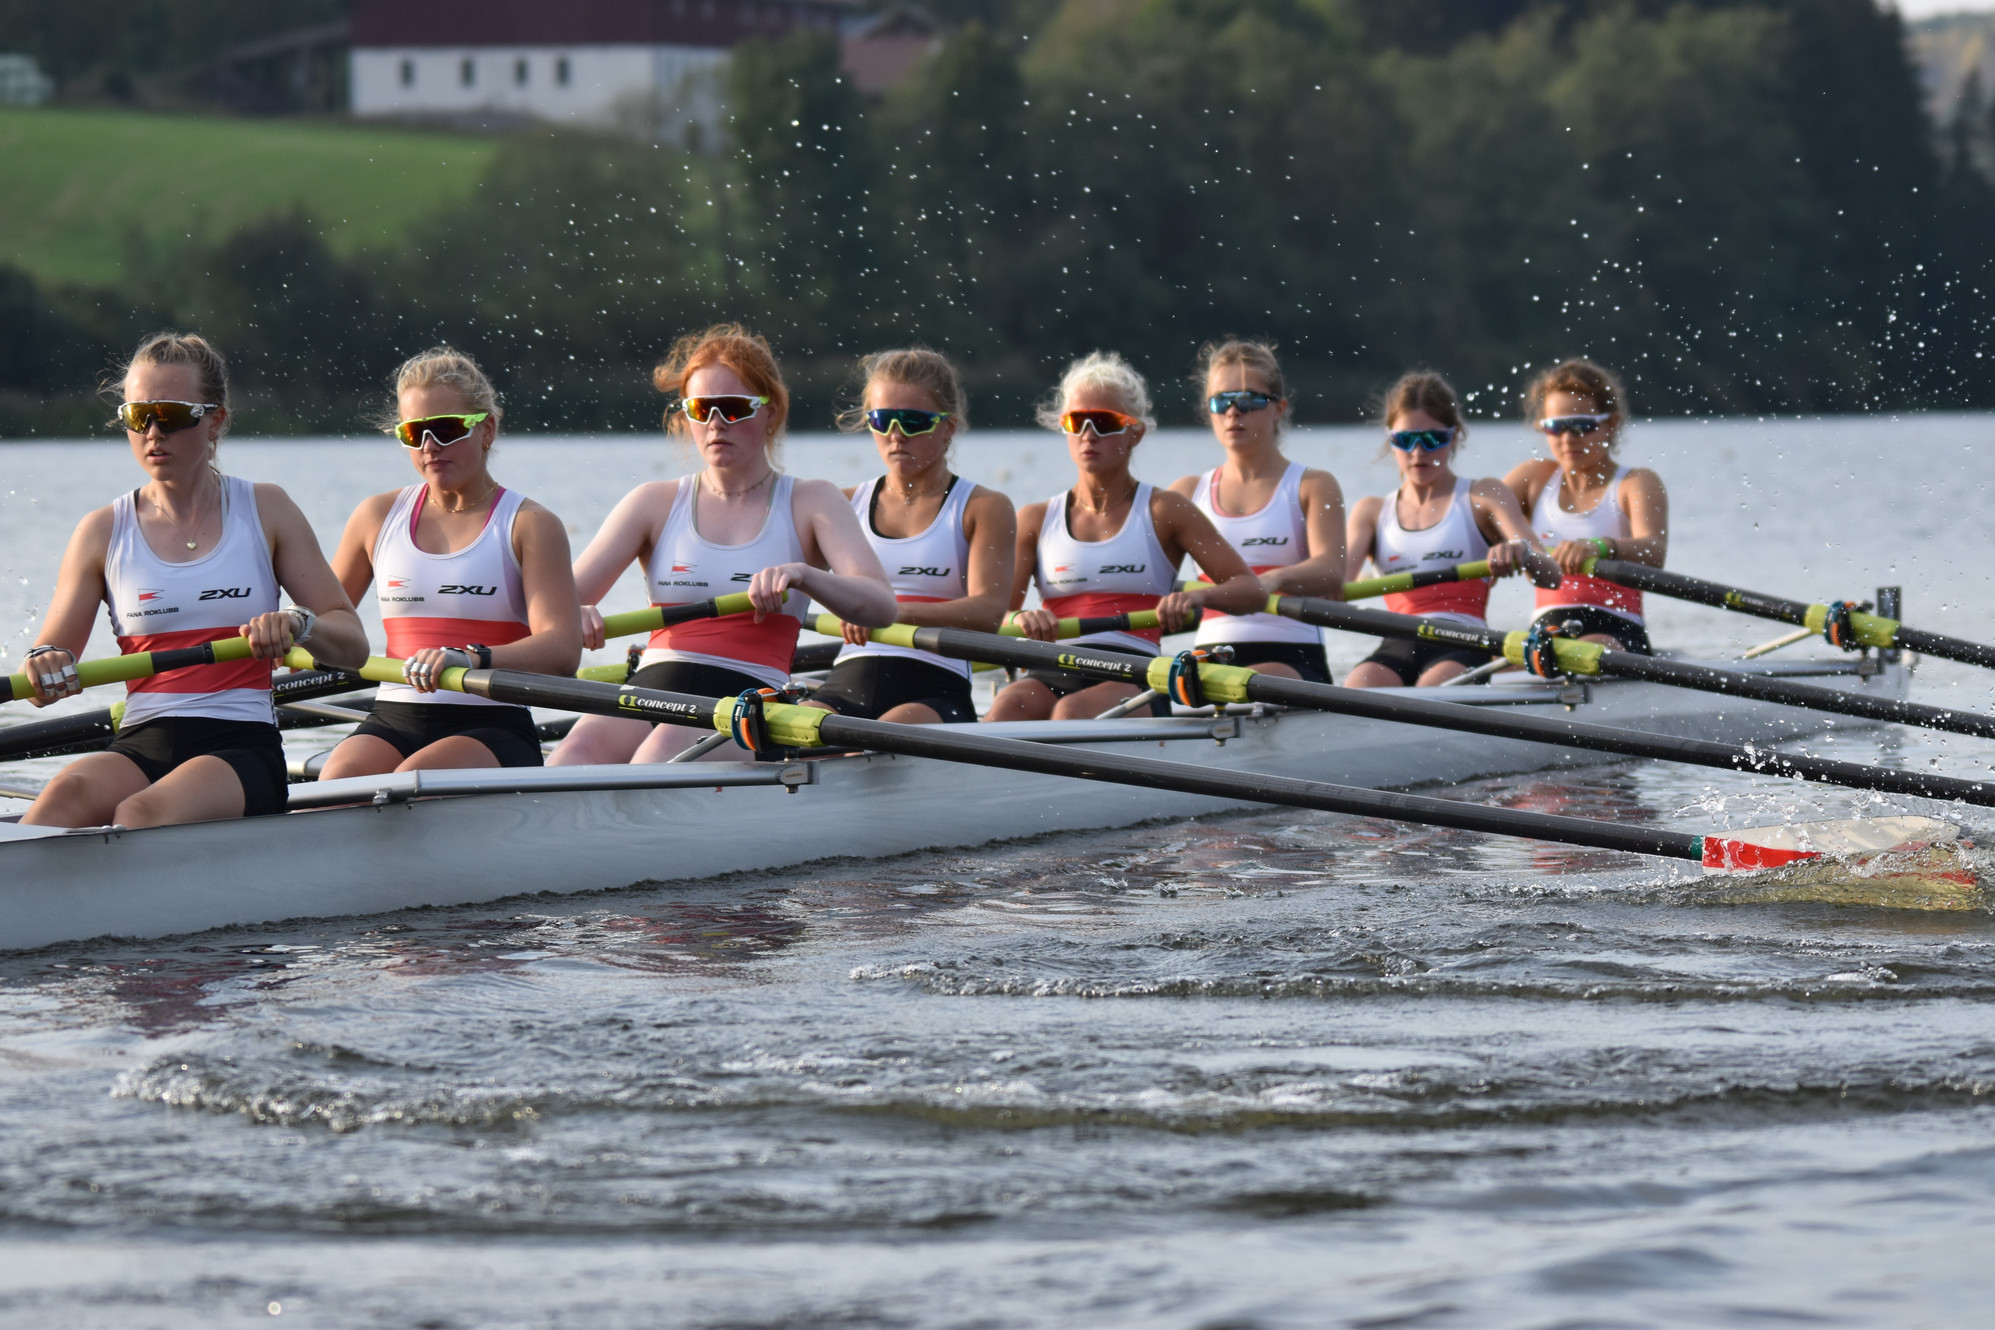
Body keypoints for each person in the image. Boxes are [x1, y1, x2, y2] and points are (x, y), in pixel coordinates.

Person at [18, 333, 368, 828]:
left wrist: (298, 623)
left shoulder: (266, 509)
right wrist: (44, 662)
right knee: (62, 797)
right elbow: (40, 685)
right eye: (138, 416)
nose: (153, 432)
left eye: (171, 415)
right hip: (142, 740)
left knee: (140, 813)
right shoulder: (101, 531)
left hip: (240, 744)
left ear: (215, 420)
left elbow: (353, 646)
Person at [552, 324, 896, 764]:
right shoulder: (652, 502)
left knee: (658, 756)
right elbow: (551, 610)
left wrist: (803, 575)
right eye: (700, 409)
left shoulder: (813, 501)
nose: (715, 423)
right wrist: (572, 612)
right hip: (651, 688)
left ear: (771, 411)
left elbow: (880, 606)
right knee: (572, 754)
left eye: (732, 408)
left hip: (749, 701)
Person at [318, 348, 581, 780]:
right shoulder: (375, 517)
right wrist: (291, 627)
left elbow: (563, 650)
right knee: (334, 787)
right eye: (413, 433)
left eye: (445, 429)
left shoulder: (530, 525)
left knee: (410, 782)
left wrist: (470, 658)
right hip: (393, 716)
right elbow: (326, 620)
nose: (429, 446)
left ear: (487, 429)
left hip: (491, 721)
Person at [986, 351, 1266, 722]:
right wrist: (1021, 616)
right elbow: (992, 614)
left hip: (1134, 673)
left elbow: (1251, 591)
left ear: (1135, 433)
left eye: (1104, 422)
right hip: (1053, 665)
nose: (1089, 435)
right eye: (1077, 422)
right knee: (1007, 706)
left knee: (1072, 712)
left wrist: (1198, 598)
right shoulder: (1035, 519)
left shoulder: (1165, 510)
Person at [800, 349, 1016, 724]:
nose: (896, 435)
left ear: (948, 427)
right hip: (846, 683)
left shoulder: (983, 507)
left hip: (934, 688)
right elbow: (788, 595)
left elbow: (987, 614)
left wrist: (888, 612)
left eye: (914, 422)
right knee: (795, 732)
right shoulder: (841, 504)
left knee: (876, 739)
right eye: (882, 420)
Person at [1344, 371, 1552, 688]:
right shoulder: (1370, 512)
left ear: (1454, 436)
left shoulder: (1482, 495)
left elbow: (1551, 575)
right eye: (1405, 440)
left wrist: (1522, 552)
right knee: (1358, 687)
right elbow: (1334, 589)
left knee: (1432, 690)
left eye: (1432, 439)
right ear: (1390, 438)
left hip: (1464, 642)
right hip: (1397, 642)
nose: (1418, 452)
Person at [1168, 340, 1345, 682]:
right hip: (1209, 659)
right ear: (1210, 411)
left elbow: (1331, 570)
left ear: (1279, 408)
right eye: (1221, 401)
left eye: (1249, 400)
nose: (1233, 412)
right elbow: (1144, 580)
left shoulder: (1312, 485)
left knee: (1237, 684)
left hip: (1292, 656)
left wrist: (1273, 579)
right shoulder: (1186, 493)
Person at [1503, 358, 1667, 653]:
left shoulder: (1635, 482)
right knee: (1483, 662)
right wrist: (1506, 546)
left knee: (1581, 651)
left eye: (1581, 426)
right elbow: (1474, 514)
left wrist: (1599, 546)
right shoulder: (1534, 478)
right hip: (1545, 632)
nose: (1568, 439)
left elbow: (1654, 551)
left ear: (1611, 424)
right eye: (1556, 427)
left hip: (1616, 630)